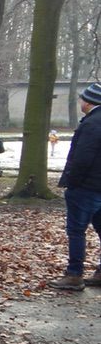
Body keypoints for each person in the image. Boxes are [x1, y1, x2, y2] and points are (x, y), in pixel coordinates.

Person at [49, 82, 101, 291]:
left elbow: (82, 158)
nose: (80, 102)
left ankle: (74, 274)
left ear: (88, 102)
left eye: (82, 99)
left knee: (76, 230)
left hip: (86, 187)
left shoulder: (91, 124)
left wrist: (72, 182)